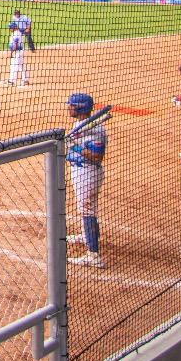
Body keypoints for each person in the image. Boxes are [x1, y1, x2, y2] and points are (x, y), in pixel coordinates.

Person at [65, 93, 107, 268]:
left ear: (80, 107)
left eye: (72, 105)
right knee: (87, 210)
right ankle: (86, 235)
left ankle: (93, 255)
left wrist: (73, 146)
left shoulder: (96, 131)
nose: (69, 108)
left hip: (87, 173)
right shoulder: (81, 125)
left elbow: (97, 156)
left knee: (88, 211)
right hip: (81, 171)